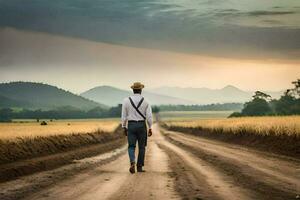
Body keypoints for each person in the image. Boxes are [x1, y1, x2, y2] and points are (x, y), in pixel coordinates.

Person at [121, 82, 153, 174]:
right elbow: (149, 116)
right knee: (142, 147)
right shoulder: (146, 101)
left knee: (131, 146)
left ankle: (132, 162)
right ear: (141, 90)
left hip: (131, 125)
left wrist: (124, 126)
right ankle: (139, 167)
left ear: (133, 90)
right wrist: (150, 127)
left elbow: (124, 115)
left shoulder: (126, 101)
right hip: (142, 125)